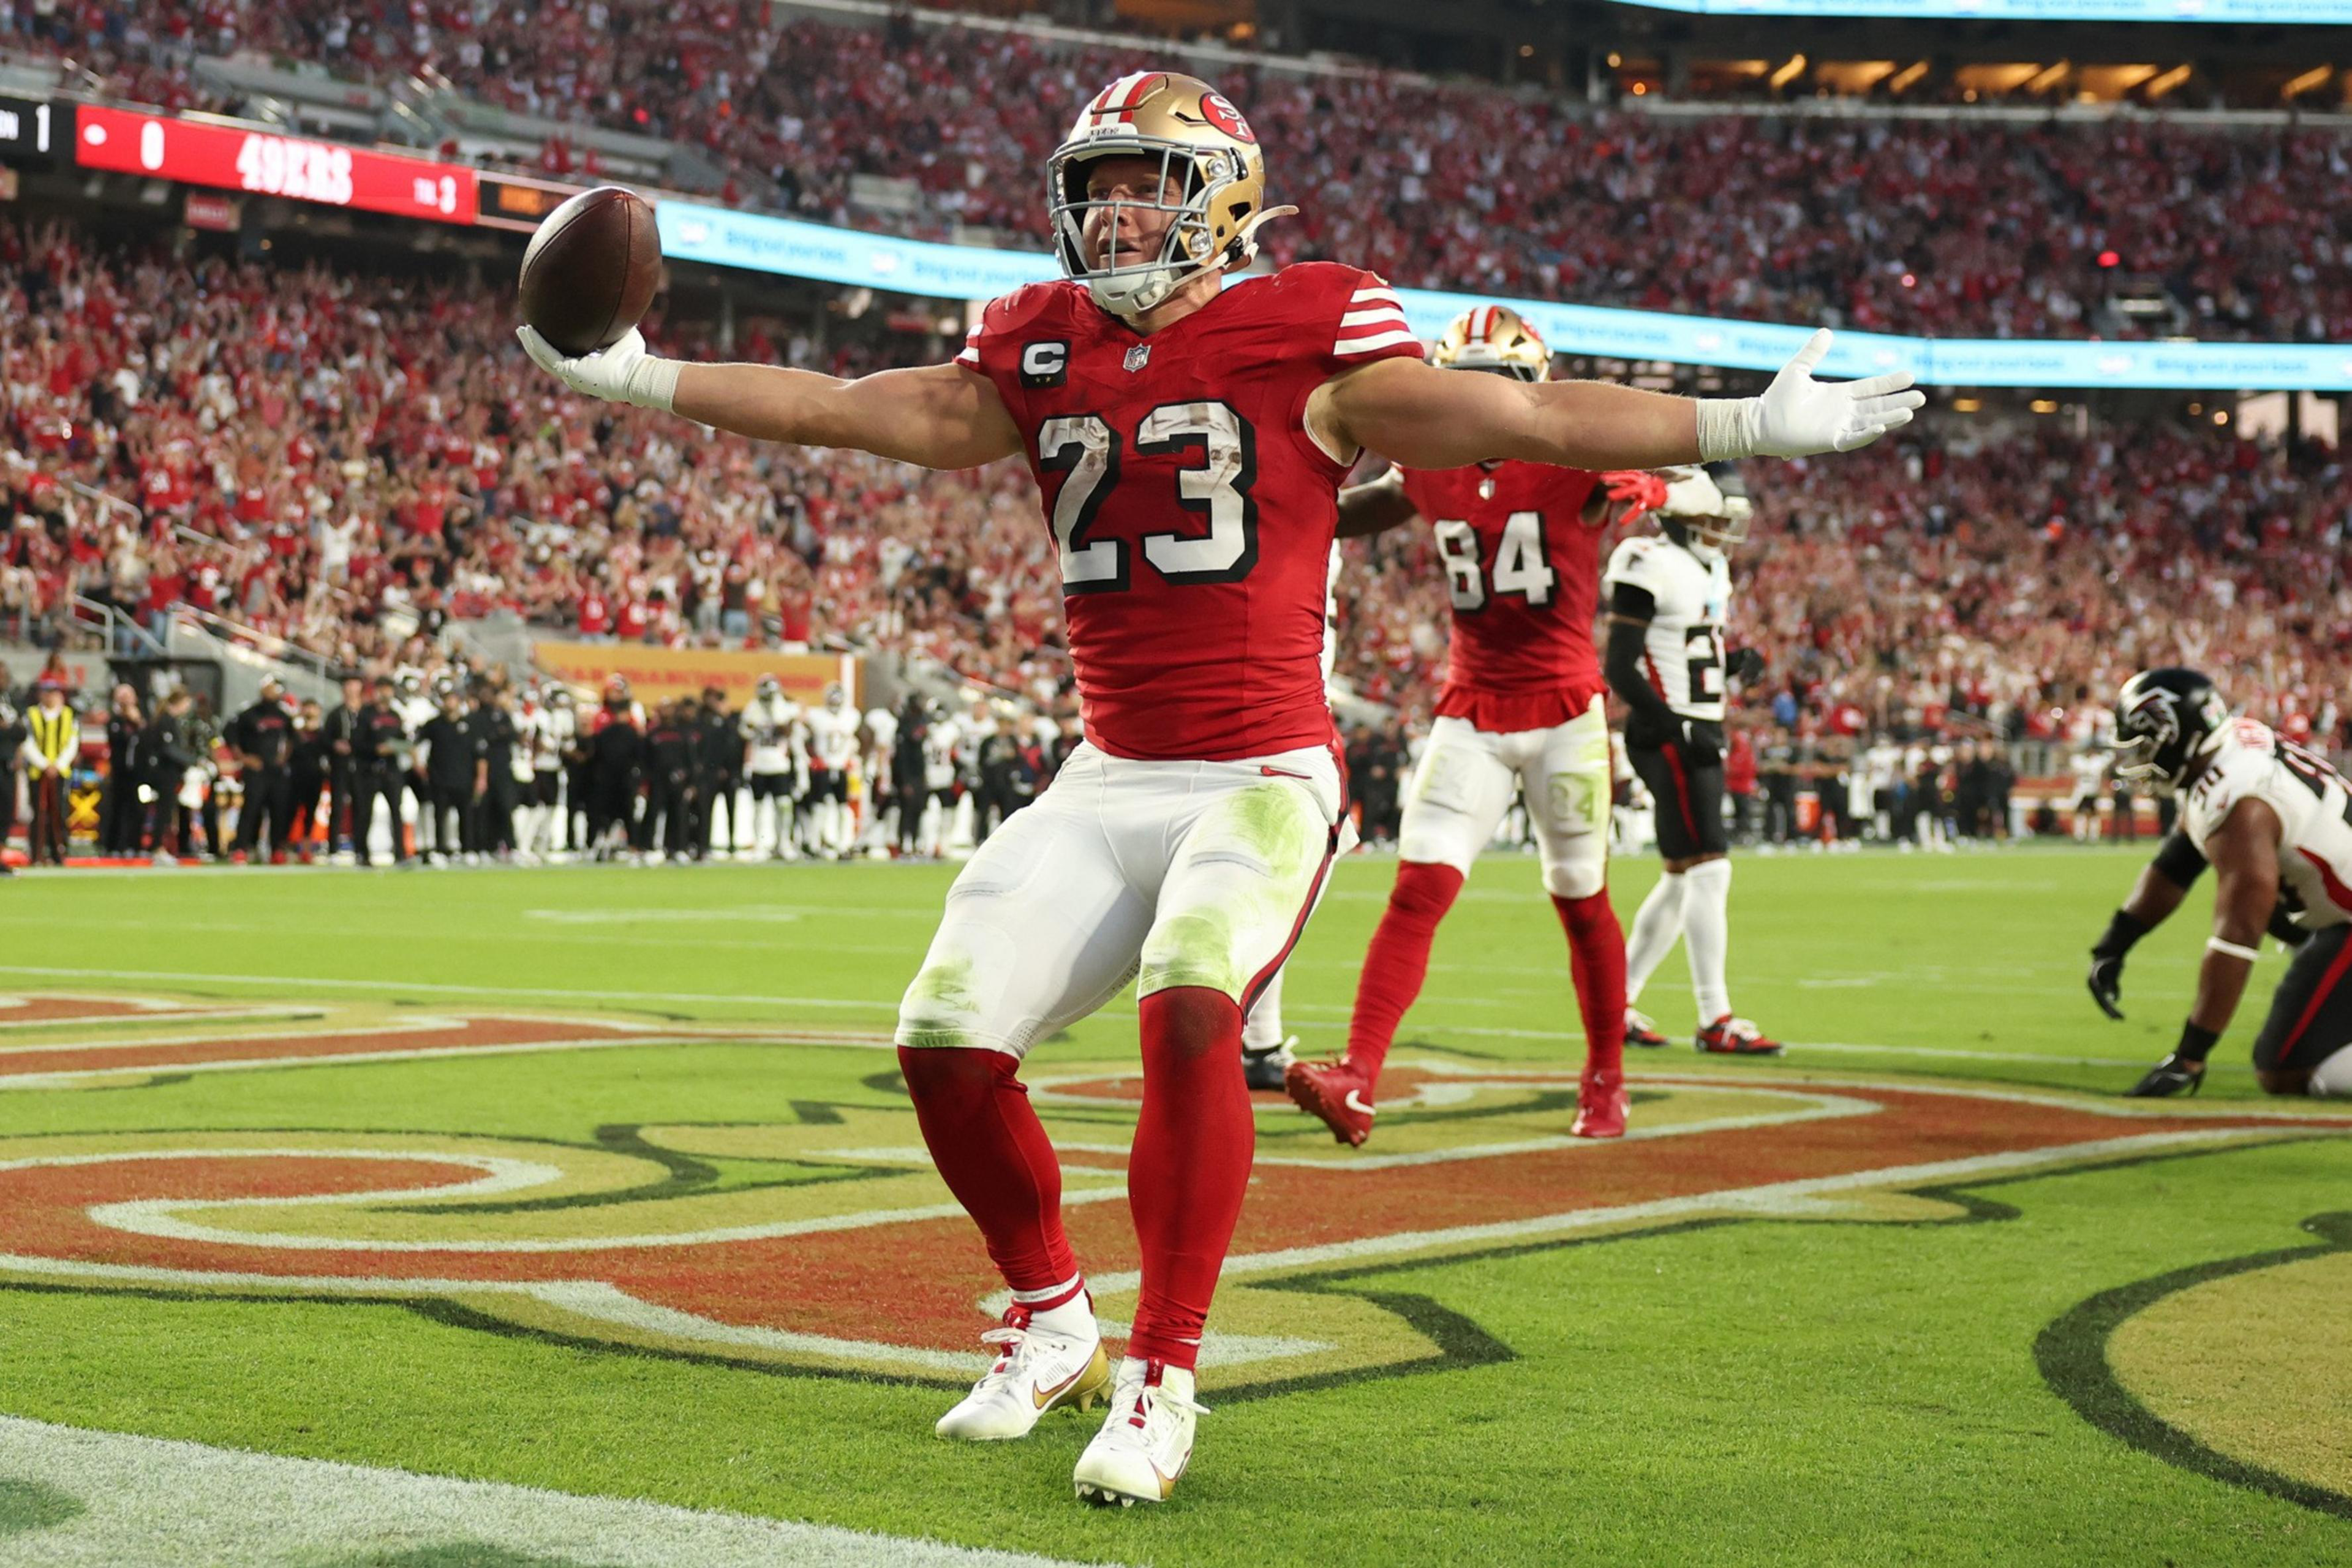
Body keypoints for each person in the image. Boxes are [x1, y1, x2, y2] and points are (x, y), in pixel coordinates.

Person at [518, 67, 1916, 1505]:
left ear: (1224, 195)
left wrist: (1737, 428)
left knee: (1191, 999)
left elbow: (1535, 418)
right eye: (1096, 186)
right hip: (1107, 769)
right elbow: (845, 405)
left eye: (1148, 183)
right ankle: (1051, 1314)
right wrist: (630, 371)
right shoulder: (1033, 339)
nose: (1116, 213)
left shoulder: (1312, 322)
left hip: (1259, 769)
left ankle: (1160, 1374)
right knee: (940, 1038)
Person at [1286, 305, 1665, 1145]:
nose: (1479, 408)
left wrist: (1656, 481)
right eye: (1465, 390)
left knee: (1579, 896)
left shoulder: (1576, 461)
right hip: (1470, 708)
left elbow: (1661, 466)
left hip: (1566, 710)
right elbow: (1364, 506)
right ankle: (1357, 1076)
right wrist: (1269, 497)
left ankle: (1606, 1077)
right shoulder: (1430, 464)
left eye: (1498, 389)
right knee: (1417, 892)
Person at [2089, 669, 2352, 1099]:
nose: (2135, 758)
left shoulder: (2240, 802)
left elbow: (2238, 935)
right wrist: (2114, 945)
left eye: (2145, 744)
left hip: (2345, 922)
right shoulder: (2228, 750)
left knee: (2286, 1069)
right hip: (2336, 921)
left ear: (2180, 738)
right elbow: (2177, 862)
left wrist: (2189, 1056)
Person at [1605, 466, 1783, 1056]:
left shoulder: (1711, 567)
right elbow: (1621, 665)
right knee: (1711, 869)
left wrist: (1733, 664)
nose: (1723, 526)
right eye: (1712, 514)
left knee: (1685, 876)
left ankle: (1617, 1005)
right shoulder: (1647, 560)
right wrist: (1677, 723)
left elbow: (1687, 647)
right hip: (1669, 731)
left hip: (1696, 725)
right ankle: (1715, 1017)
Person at [415, 680, 485, 864]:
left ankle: (467, 849)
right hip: (440, 778)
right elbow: (414, 744)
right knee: (440, 817)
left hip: (464, 778)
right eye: (447, 699)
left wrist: (481, 778)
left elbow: (480, 755)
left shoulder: (469, 725)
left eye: (453, 699)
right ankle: (440, 850)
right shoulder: (434, 724)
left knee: (466, 816)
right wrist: (418, 765)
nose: (450, 703)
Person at [228, 678, 296, 864]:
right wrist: (244, 759)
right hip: (256, 769)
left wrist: (284, 757)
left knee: (279, 810)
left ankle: (277, 850)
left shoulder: (284, 714)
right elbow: (230, 735)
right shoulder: (249, 713)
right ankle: (241, 848)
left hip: (275, 770)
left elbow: (293, 738)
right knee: (250, 809)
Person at [352, 676, 413, 867]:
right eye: (382, 689)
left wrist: (402, 746)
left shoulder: (395, 716)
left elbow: (404, 740)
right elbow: (357, 743)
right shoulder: (365, 714)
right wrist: (376, 749)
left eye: (388, 689)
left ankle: (400, 853)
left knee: (397, 812)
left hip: (392, 770)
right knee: (365, 813)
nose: (385, 693)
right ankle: (362, 853)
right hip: (370, 769)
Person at [742, 674, 801, 859]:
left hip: (779, 764)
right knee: (759, 807)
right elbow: (746, 733)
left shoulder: (785, 708)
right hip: (759, 764)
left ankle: (783, 842)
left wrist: (773, 720)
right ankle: (760, 844)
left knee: (783, 805)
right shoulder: (752, 708)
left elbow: (789, 732)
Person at [139, 688, 198, 864]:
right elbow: (168, 749)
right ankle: (157, 848)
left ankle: (159, 847)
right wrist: (191, 760)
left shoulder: (169, 721)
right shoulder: (165, 721)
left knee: (166, 812)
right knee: (163, 812)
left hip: (169, 773)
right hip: (165, 774)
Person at [20, 680, 77, 865]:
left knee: (59, 811)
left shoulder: (68, 715)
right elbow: (27, 741)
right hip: (38, 771)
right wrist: (44, 764)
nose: (50, 696)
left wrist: (58, 765)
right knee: (38, 812)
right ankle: (36, 852)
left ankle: (59, 852)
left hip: (60, 771)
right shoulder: (32, 715)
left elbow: (72, 743)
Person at [802, 684, 859, 858]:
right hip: (822, 767)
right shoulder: (816, 715)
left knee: (843, 808)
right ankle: (815, 844)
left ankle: (844, 845)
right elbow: (803, 733)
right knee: (819, 807)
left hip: (842, 767)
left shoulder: (851, 716)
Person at [321, 676, 368, 857]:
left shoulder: (365, 714)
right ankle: (333, 848)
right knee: (338, 807)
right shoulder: (336, 714)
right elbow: (325, 738)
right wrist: (335, 745)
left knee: (361, 807)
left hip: (361, 767)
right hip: (340, 766)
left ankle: (360, 849)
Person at [698, 685, 745, 857]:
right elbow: (710, 750)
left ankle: (732, 842)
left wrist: (735, 771)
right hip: (712, 773)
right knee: (706, 810)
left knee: (731, 809)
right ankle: (705, 844)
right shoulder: (704, 720)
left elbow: (736, 748)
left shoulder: (731, 721)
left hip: (731, 772)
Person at [99, 683, 144, 856]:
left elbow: (147, 740)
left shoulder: (141, 719)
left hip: (138, 773)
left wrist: (137, 722)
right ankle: (114, 846)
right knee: (116, 808)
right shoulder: (115, 720)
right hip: (119, 772)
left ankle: (135, 845)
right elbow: (116, 740)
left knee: (138, 808)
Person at [287, 698, 328, 861]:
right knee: (289, 812)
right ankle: (284, 847)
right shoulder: (295, 732)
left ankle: (306, 849)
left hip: (314, 777)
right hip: (295, 777)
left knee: (310, 814)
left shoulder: (323, 734)